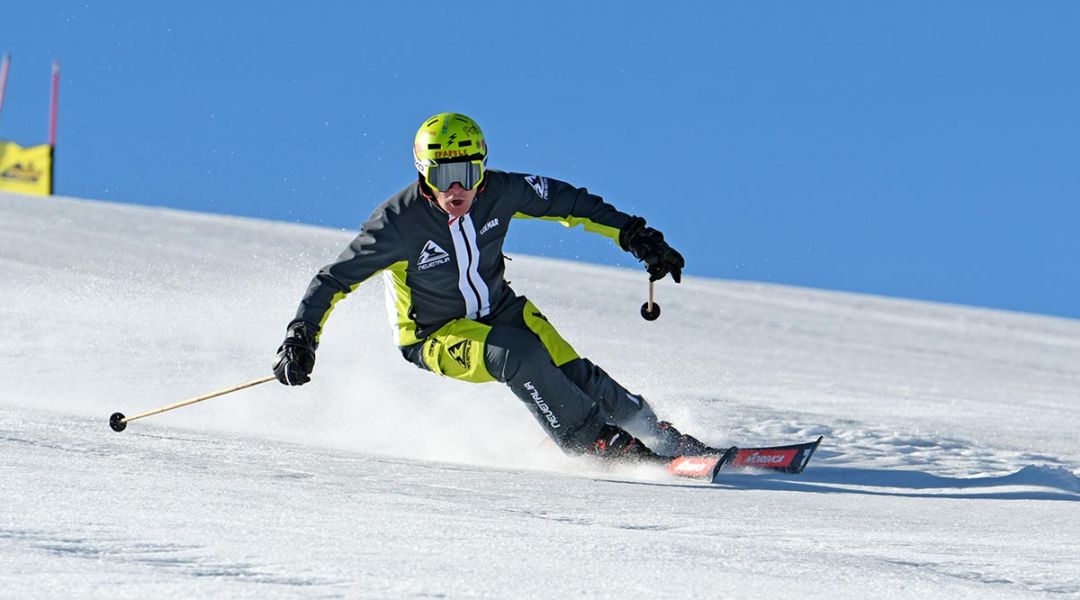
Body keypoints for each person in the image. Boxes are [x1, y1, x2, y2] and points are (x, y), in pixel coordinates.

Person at [274, 112, 714, 463]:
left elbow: (570, 203)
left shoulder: (500, 191)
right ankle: (594, 442)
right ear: (423, 173)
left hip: (500, 309)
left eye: (467, 171)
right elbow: (334, 280)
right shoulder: (397, 223)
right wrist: (301, 336)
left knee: (570, 370)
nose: (457, 188)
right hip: (434, 334)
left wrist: (634, 235)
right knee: (517, 355)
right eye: (443, 175)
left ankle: (652, 430)